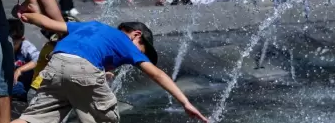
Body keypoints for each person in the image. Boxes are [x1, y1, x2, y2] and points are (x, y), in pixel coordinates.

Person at [12, 14, 208, 123]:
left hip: (56, 63)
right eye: (143, 49)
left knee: (33, 118)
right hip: (81, 67)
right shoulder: (128, 43)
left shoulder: (93, 26)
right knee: (107, 119)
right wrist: (185, 103)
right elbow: (157, 74)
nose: (140, 54)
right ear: (137, 35)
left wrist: (26, 15)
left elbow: (49, 23)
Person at [9, 19, 39, 101]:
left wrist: (20, 70)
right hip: (10, 80)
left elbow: (38, 59)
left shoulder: (26, 47)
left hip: (26, 81)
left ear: (22, 39)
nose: (11, 46)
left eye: (14, 43)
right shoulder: (3, 47)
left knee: (17, 89)